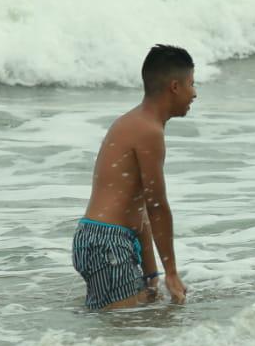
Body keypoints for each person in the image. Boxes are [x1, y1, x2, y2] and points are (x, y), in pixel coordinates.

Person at [71, 44, 196, 309]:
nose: (194, 94)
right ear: (175, 87)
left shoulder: (133, 122)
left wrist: (152, 276)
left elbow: (138, 209)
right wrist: (171, 274)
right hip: (108, 244)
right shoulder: (148, 131)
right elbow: (156, 205)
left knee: (138, 321)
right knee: (124, 334)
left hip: (98, 239)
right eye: (191, 84)